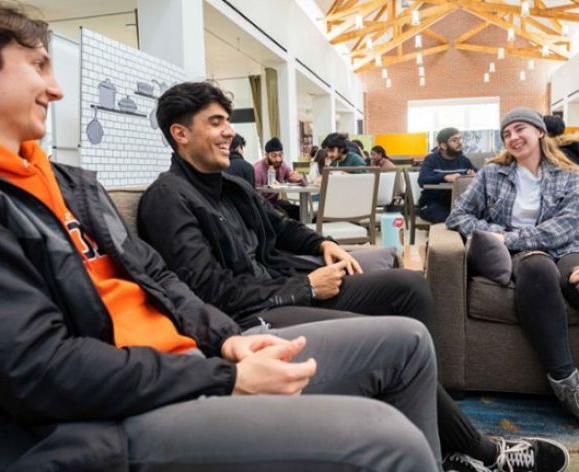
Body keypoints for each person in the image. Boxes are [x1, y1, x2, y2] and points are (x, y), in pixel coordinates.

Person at [0, 4, 447, 470]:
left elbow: (159, 276)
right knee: (390, 438)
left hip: (203, 350)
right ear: (180, 134)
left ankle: (462, 451)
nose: (55, 89)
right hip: (130, 408)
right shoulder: (166, 197)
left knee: (408, 340)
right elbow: (41, 368)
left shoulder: (69, 184)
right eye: (37, 66)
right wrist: (220, 372)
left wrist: (227, 339)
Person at [138, 82, 568, 472]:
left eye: (228, 121)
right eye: (216, 122)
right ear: (180, 133)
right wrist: (305, 287)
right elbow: (211, 292)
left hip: (282, 286)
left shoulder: (230, 184)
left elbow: (283, 226)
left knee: (409, 287)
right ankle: (475, 449)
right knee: (395, 336)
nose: (229, 131)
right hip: (255, 314)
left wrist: (322, 244)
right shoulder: (168, 198)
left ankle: (443, 432)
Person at [447, 107, 579, 423]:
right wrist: (501, 237)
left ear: (539, 132)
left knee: (575, 279)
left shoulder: (569, 174)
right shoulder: (492, 174)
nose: (513, 137)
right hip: (524, 257)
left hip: (566, 248)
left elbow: (570, 223)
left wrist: (511, 237)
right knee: (537, 269)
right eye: (507, 133)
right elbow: (458, 216)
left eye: (520, 129)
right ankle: (567, 384)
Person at [418, 127, 476, 223]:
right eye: (454, 140)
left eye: (460, 139)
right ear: (443, 145)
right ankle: (441, 237)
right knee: (451, 220)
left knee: (472, 218)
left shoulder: (464, 160)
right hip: (433, 202)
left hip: (458, 203)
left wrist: (474, 175)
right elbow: (422, 180)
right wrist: (445, 177)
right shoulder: (431, 159)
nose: (460, 143)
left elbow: (477, 175)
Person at [254, 136, 303, 220]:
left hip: (275, 202)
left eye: (280, 155)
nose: (278, 159)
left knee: (299, 211)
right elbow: (256, 197)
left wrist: (299, 179)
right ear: (266, 155)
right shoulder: (258, 170)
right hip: (262, 206)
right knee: (281, 217)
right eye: (274, 156)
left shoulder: (282, 166)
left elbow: (301, 183)